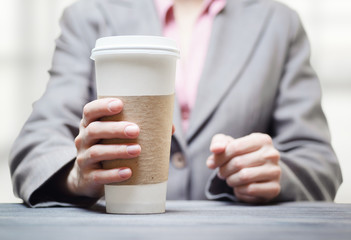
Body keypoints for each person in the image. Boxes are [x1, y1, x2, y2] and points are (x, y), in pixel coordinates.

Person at [10, 0, 342, 207]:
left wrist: (275, 174)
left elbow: (319, 161)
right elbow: (36, 146)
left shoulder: (278, 23)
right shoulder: (89, 16)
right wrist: (75, 177)